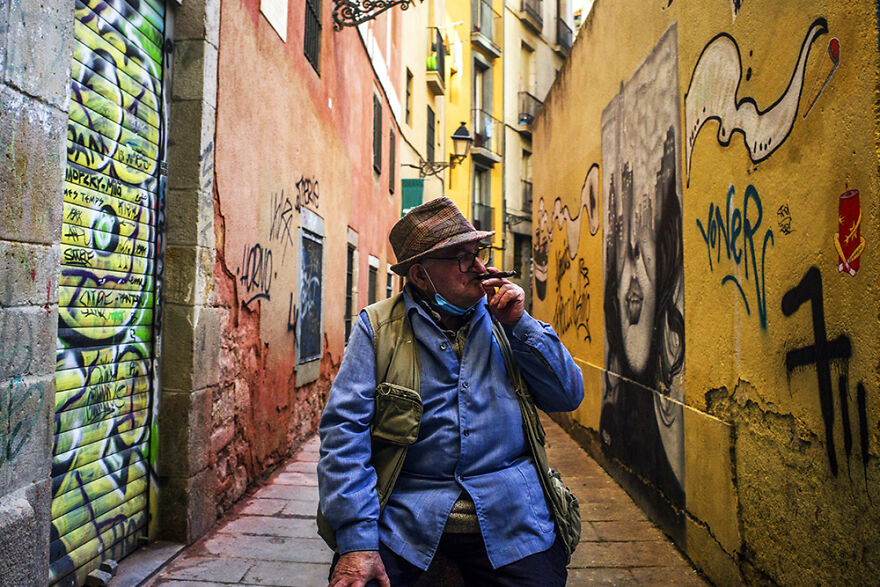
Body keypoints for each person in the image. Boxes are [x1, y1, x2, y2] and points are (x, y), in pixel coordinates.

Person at [317, 197, 584, 586]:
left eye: (477, 254)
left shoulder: (507, 321)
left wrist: (521, 325)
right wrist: (357, 540)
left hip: (513, 519)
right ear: (421, 276)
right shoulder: (377, 329)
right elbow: (344, 436)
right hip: (407, 521)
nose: (478, 267)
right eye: (460, 258)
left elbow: (568, 395)